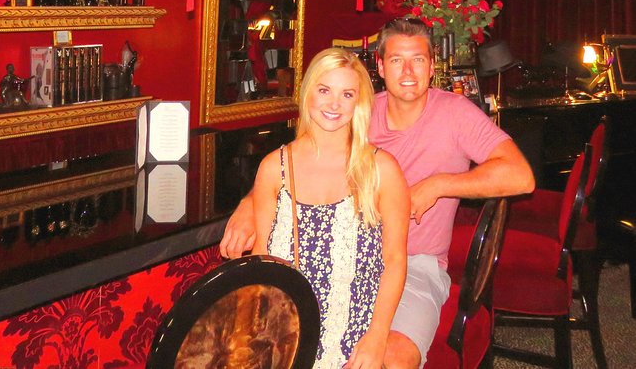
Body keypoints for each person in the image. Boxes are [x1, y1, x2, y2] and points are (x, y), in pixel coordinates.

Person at [221, 19, 535, 368]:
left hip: (414, 262)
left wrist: (439, 184)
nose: (408, 71)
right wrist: (250, 203)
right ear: (381, 67)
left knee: (389, 358)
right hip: (344, 257)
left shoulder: (455, 113)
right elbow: (301, 161)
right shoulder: (357, 111)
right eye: (397, 60)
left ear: (432, 66)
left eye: (418, 60)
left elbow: (521, 177)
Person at [250, 47, 409, 368]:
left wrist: (377, 338)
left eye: (347, 94)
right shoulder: (274, 168)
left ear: (359, 102)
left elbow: (394, 261)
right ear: (308, 92)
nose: (334, 104)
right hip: (285, 339)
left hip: (356, 334)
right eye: (324, 90)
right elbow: (260, 260)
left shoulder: (382, 170)